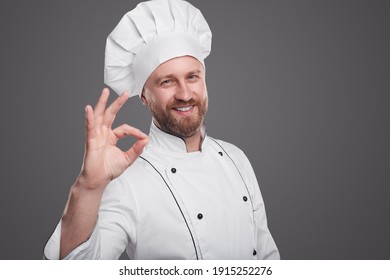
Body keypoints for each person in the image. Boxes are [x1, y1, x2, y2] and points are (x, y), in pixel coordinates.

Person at [44, 0, 280, 260]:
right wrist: (88, 187)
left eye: (192, 76)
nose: (185, 93)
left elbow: (268, 258)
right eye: (167, 81)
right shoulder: (126, 181)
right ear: (144, 96)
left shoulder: (237, 159)